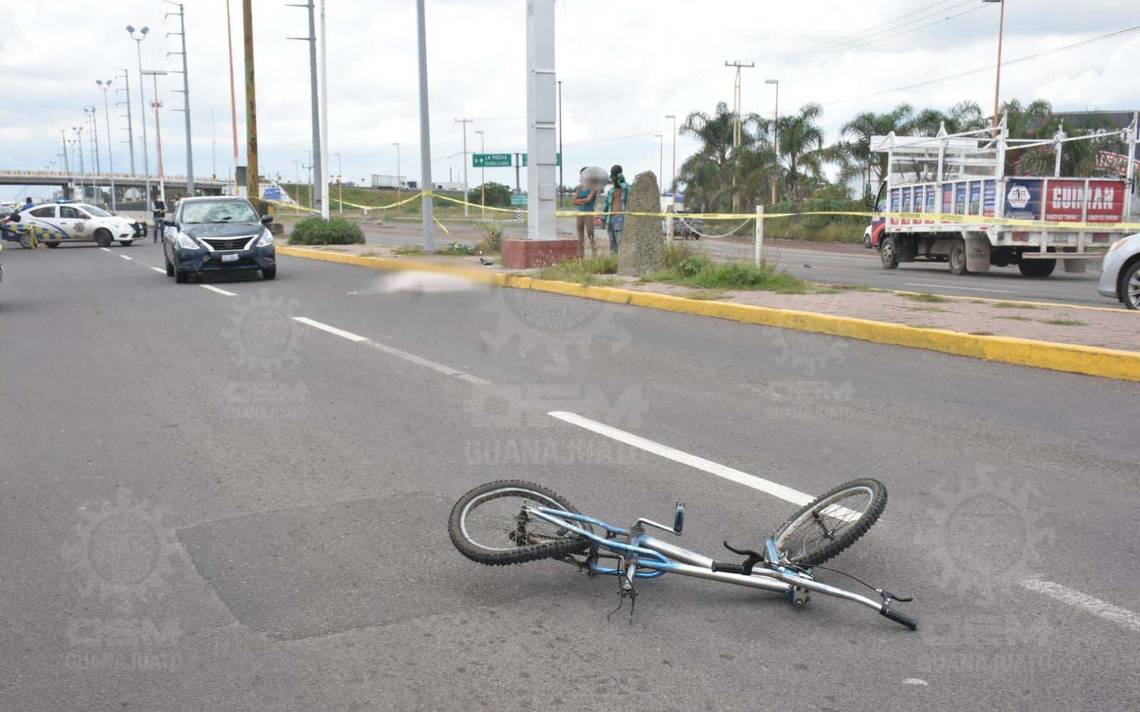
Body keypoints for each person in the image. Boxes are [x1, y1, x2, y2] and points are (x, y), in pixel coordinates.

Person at [602, 165, 629, 255]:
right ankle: (614, 262)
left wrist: (620, 179)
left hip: (621, 218)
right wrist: (603, 218)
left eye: (614, 177)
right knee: (612, 244)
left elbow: (624, 185)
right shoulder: (611, 191)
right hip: (610, 219)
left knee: (620, 241)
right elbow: (606, 206)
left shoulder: (626, 188)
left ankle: (622, 263)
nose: (612, 179)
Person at [572, 167, 598, 256]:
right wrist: (581, 201)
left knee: (591, 235)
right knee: (580, 237)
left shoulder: (593, 187)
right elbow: (573, 201)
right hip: (580, 214)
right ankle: (581, 257)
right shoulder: (579, 187)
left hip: (589, 213)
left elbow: (589, 199)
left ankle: (594, 255)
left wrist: (579, 200)